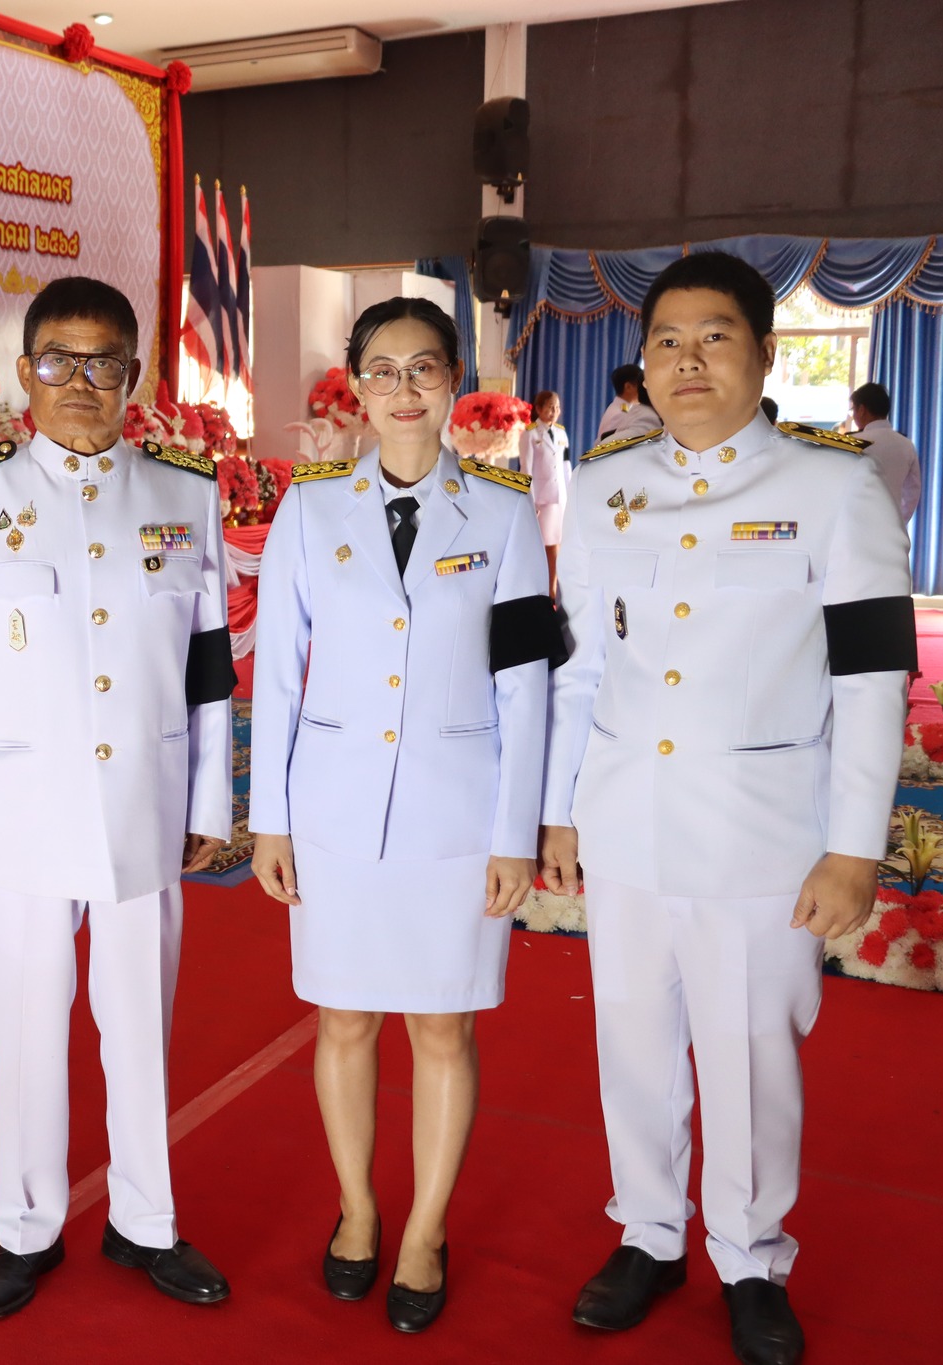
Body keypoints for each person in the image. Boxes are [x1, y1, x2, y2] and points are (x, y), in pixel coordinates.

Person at [542, 252, 914, 1365]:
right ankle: (648, 1234)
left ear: (763, 353)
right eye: (665, 340)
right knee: (632, 1044)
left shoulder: (833, 489)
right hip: (625, 824)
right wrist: (559, 811)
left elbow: (872, 679)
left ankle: (750, 1257)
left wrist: (853, 847)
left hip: (763, 836)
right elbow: (579, 669)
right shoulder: (606, 487)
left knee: (751, 1056)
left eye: (714, 337)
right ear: (643, 362)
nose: (686, 359)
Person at [0, 276, 235, 1321]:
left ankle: (147, 1220)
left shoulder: (183, 493)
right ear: (24, 373)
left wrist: (209, 801)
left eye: (104, 362)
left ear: (134, 374)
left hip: (146, 796)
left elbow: (207, 664)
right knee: (24, 1023)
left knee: (139, 1021)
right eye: (58, 359)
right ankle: (25, 1226)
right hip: (19, 806)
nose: (80, 381)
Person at [248, 297, 555, 1334]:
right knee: (341, 1019)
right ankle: (357, 1209)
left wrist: (514, 832)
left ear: (454, 381)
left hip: (455, 816)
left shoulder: (504, 515)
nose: (403, 388)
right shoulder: (308, 510)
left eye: (423, 367)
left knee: (441, 1025)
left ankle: (424, 1229)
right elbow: (277, 677)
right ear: (356, 388)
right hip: (333, 812)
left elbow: (525, 685)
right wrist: (270, 819)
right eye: (381, 369)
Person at [849, 382, 922, 525]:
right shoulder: (907, 445)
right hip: (892, 526)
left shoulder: (853, 443)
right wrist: (898, 522)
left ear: (862, 410)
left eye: (853, 410)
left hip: (857, 525)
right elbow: (912, 493)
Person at [524, 390, 570, 591]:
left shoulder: (561, 433)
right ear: (539, 408)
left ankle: (552, 589)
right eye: (551, 407)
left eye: (557, 407)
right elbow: (526, 470)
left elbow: (566, 466)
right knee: (541, 546)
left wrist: (570, 495)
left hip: (560, 498)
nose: (555, 411)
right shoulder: (530, 433)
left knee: (556, 545)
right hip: (541, 500)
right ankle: (537, 588)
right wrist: (530, 501)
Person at [594, 363, 662, 443]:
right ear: (628, 387)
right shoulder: (619, 414)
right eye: (640, 385)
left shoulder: (624, 408)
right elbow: (608, 444)